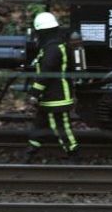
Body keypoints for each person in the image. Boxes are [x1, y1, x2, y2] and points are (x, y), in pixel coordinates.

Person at [23, 12, 79, 164]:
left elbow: (45, 74)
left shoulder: (52, 49)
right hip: (51, 96)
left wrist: (34, 93)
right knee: (40, 125)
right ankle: (29, 153)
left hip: (57, 97)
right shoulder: (55, 46)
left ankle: (73, 155)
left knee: (61, 127)